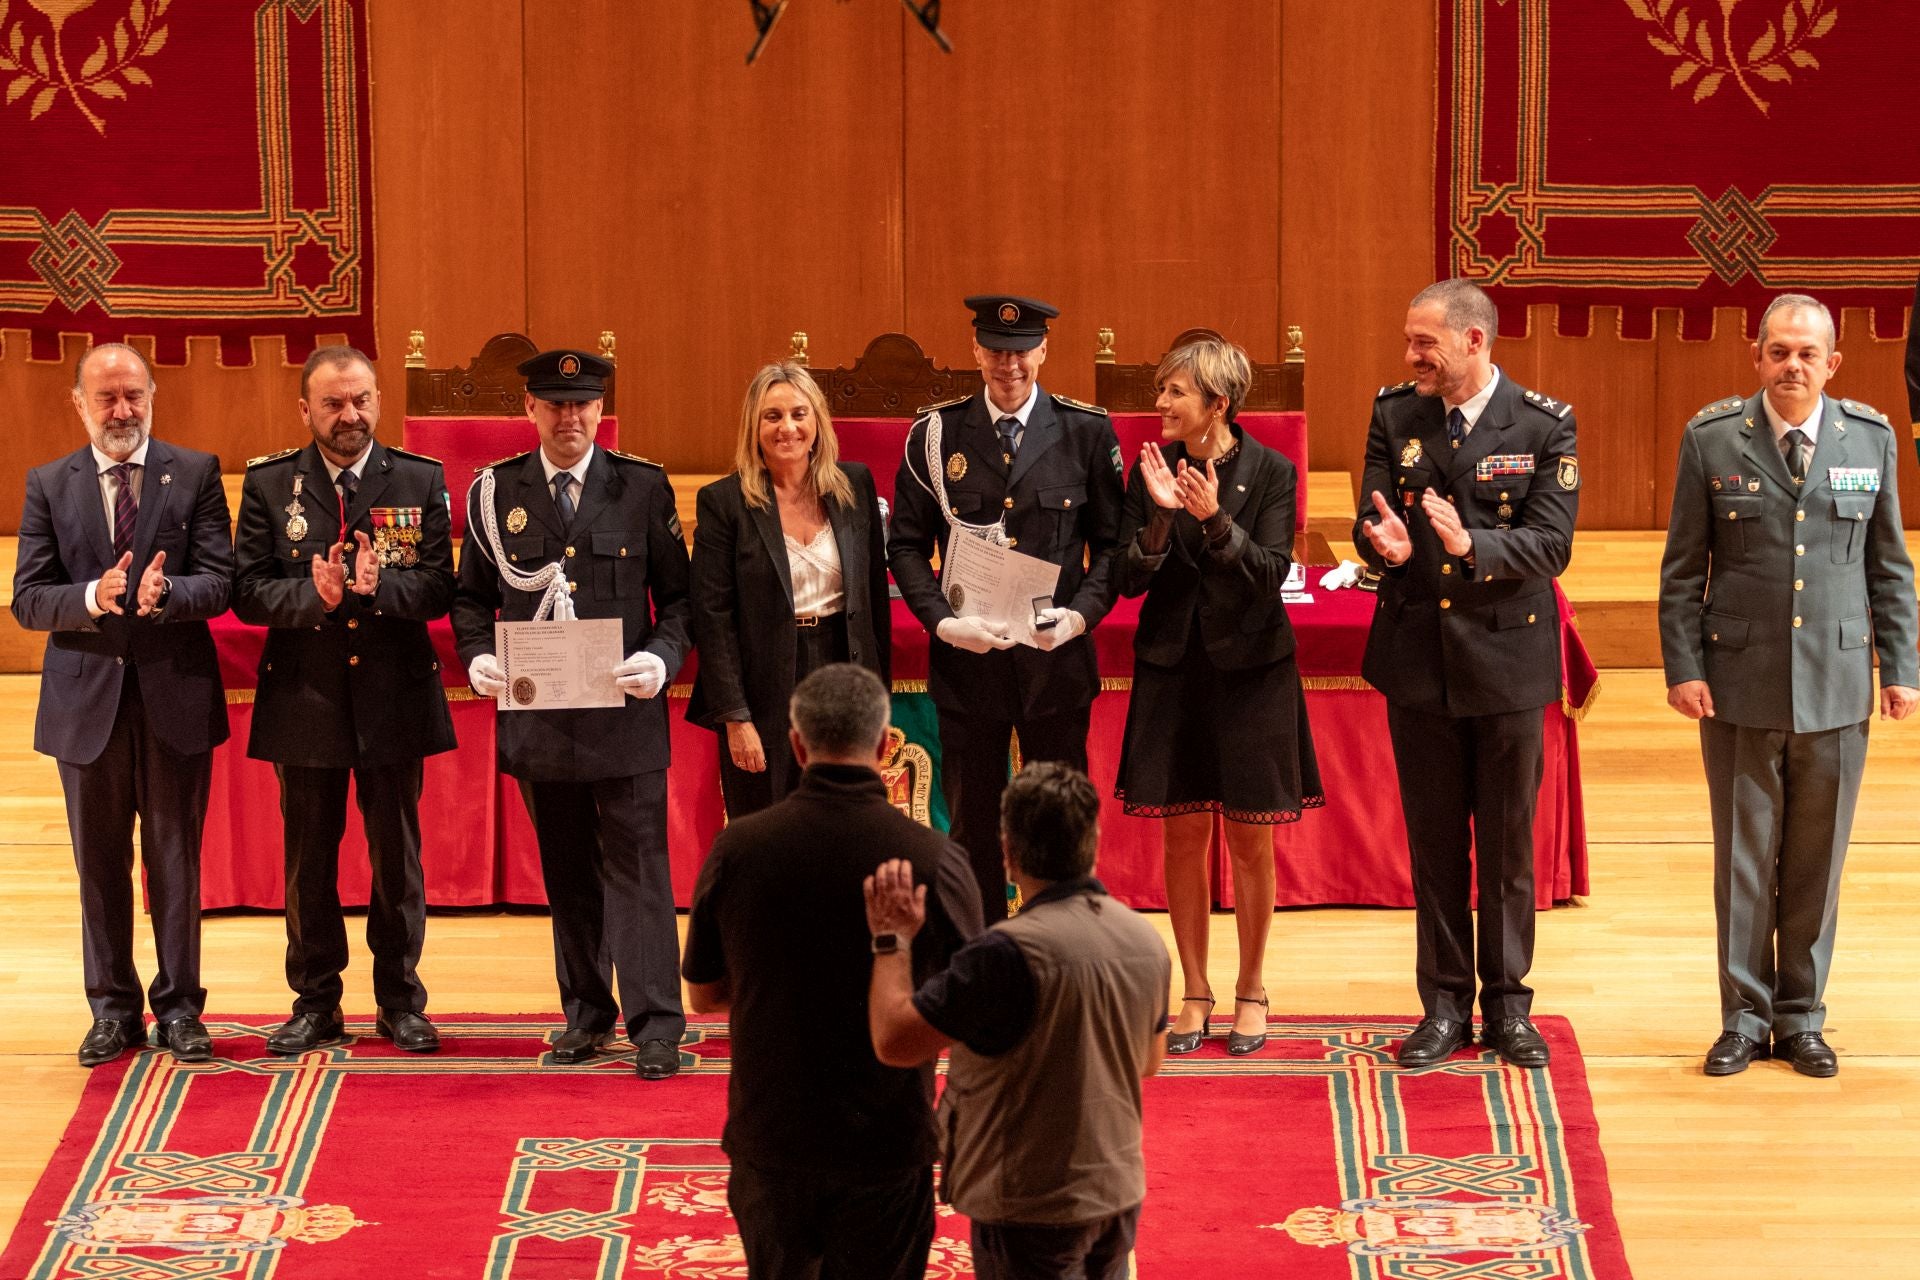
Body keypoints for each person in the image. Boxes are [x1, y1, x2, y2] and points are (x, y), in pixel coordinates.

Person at [1657, 293, 1918, 1078]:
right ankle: (1743, 1016)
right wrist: (1684, 666)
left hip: (1838, 681)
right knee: (1743, 859)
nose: (1791, 366)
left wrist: (1902, 670)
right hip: (1739, 681)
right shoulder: (1711, 440)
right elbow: (1681, 569)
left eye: (1807, 354)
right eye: (1778, 352)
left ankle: (1801, 1016)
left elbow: (1890, 568)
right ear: (1756, 356)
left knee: (1815, 859)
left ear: (1832, 363)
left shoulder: (1868, 439)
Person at [681, 664, 981, 1279]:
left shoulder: (739, 848)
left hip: (772, 1134)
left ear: (796, 744)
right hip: (886, 1138)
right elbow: (976, 1009)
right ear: (883, 744)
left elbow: (704, 995)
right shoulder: (933, 858)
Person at [1352, 278, 1579, 1069]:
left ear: (1474, 342)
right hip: (1421, 660)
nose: (1411, 354)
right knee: (1436, 842)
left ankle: (1509, 1007)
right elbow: (1370, 514)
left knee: (1508, 844)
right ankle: (1444, 1005)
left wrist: (1467, 546)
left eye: (1425, 343)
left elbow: (1551, 545)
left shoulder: (1546, 423)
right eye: (1411, 340)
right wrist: (1389, 546)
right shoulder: (1395, 413)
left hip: (1508, 659)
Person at [452, 348, 692, 1080]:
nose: (570, 417)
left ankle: (656, 1025)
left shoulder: (642, 488)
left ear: (600, 411)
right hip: (542, 720)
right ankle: (586, 1014)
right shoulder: (496, 492)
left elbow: (679, 601)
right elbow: (470, 598)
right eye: (555, 405)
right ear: (530, 410)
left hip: (624, 713)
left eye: (583, 404)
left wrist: (662, 657)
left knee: (640, 871)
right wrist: (476, 659)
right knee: (567, 873)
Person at [231, 345, 456, 1056]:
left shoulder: (418, 480)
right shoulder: (271, 485)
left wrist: (376, 590)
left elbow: (439, 587)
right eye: (332, 403)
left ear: (378, 401)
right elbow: (247, 589)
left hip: (393, 696)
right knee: (308, 861)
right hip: (307, 697)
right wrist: (314, 596)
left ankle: (400, 1000)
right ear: (306, 410)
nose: (348, 414)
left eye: (360, 399)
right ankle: (315, 1001)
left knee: (397, 858)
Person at [13, 343, 232, 1067]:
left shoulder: (194, 472)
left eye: (133, 395)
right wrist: (90, 598)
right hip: (86, 707)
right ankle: (112, 1010)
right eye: (106, 398)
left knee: (175, 860)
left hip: (174, 695)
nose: (122, 410)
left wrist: (167, 594)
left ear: (152, 395)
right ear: (78, 403)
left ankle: (179, 1009)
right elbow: (28, 599)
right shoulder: (49, 483)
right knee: (99, 864)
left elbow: (220, 582)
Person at [865, 762, 1170, 1280]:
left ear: (1007, 853)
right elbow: (1149, 1061)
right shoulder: (1145, 940)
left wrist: (891, 939)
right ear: (1094, 842)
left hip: (1031, 1204)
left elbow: (895, 1042)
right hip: (1117, 1190)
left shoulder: (1002, 954)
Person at [1113, 335, 1322, 1056]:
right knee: (1182, 831)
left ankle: (1252, 988)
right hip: (1173, 667)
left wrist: (1212, 520)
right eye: (1162, 388)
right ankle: (1195, 991)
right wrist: (1165, 515)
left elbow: (1269, 573)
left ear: (1218, 404)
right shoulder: (1148, 469)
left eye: (1175, 391)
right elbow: (1128, 575)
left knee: (1249, 835)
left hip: (1251, 669)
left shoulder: (1271, 471)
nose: (1160, 403)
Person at [887, 294, 1124, 922]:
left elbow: (1113, 547)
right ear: (975, 351)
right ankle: (982, 954)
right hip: (970, 667)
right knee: (972, 826)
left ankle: (1064, 949)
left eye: (1021, 351)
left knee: (1061, 825)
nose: (1009, 364)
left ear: (1043, 351)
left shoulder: (1085, 432)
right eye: (995, 349)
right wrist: (941, 621)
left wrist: (1078, 618)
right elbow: (906, 546)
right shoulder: (935, 436)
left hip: (1056, 666)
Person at [687, 363, 891, 818]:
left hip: (843, 667)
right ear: (754, 427)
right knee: (766, 821)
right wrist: (735, 718)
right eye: (772, 416)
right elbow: (713, 619)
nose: (787, 428)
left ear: (817, 422)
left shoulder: (854, 485)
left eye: (799, 414)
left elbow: (875, 598)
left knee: (846, 819)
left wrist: (879, 701)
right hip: (762, 683)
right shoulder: (724, 502)